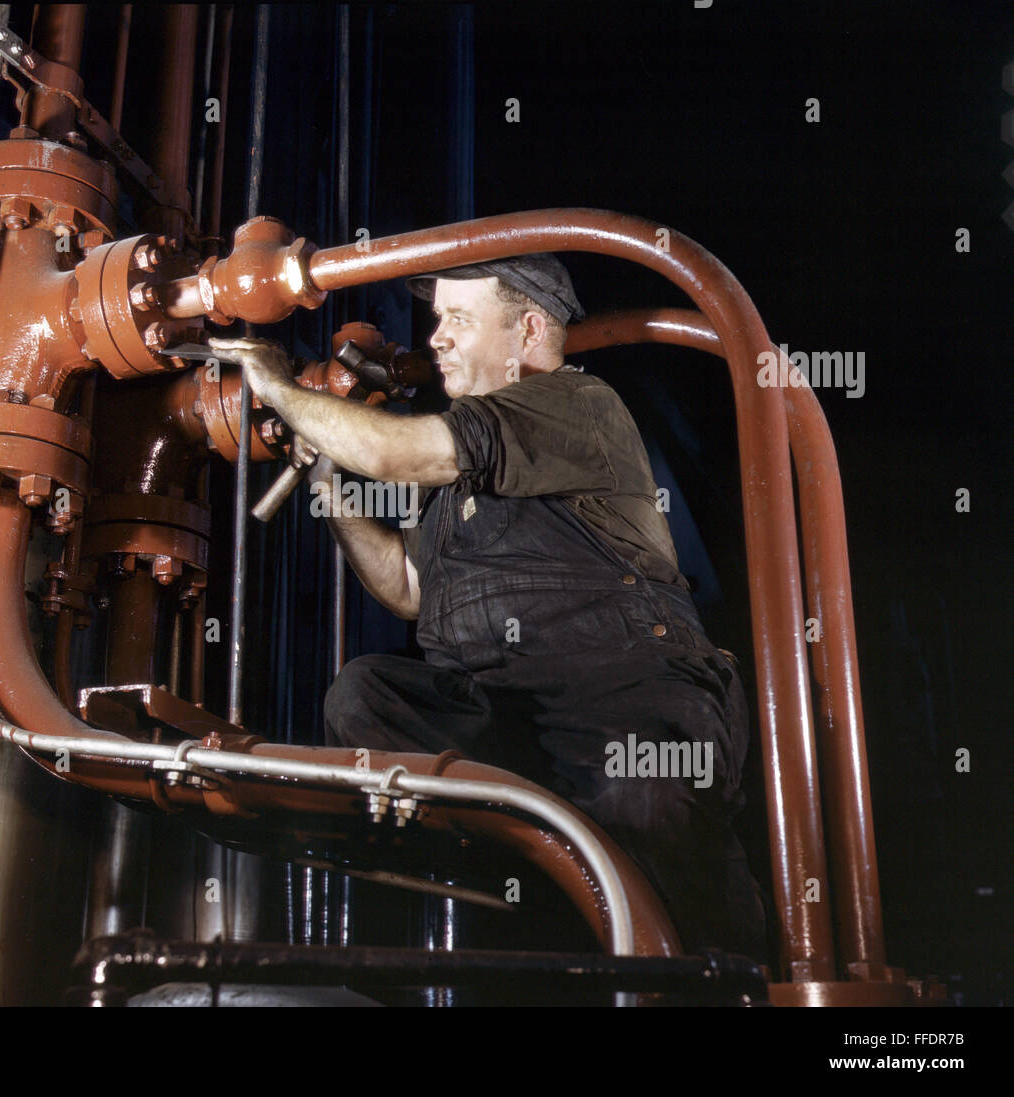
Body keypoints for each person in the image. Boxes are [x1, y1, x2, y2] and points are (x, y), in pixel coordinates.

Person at [208, 254, 767, 959]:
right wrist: (328, 486)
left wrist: (283, 391)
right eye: (438, 319)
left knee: (644, 796)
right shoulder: (456, 482)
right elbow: (409, 587)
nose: (435, 337)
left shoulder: (574, 404)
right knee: (364, 696)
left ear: (529, 329)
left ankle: (711, 972)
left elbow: (397, 452)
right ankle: (507, 906)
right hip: (500, 706)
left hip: (619, 692)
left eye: (458, 319)